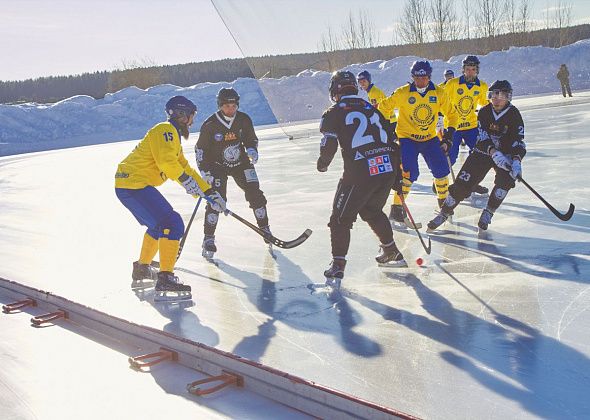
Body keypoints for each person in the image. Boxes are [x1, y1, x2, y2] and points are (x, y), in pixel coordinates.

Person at [115, 96, 226, 301]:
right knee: (172, 223)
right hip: (133, 185)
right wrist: (186, 181)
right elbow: (168, 163)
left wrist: (209, 192)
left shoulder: (171, 135)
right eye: (191, 116)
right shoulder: (165, 131)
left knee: (159, 227)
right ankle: (165, 277)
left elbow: (184, 167)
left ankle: (142, 268)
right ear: (182, 115)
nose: (192, 122)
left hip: (131, 185)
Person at [318, 70, 406, 287]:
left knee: (340, 218)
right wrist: (397, 175)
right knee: (371, 210)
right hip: (386, 168)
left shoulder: (333, 112)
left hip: (360, 171)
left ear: (335, 91)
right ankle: (391, 250)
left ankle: (338, 265)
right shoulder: (372, 109)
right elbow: (393, 142)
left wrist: (323, 163)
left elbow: (329, 144)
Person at [427, 80, 526, 232]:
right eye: (493, 95)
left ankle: (489, 212)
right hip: (483, 152)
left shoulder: (514, 114)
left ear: (508, 97)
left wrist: (516, 161)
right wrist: (493, 153)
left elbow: (518, 141)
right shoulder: (485, 112)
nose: (497, 98)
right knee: (462, 182)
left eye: (501, 95)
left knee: (505, 181)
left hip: (505, 154)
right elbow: (483, 137)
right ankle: (444, 212)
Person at [377, 60, 458, 225]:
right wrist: (389, 130)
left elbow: (452, 114)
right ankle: (397, 209)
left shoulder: (439, 93)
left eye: (424, 77)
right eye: (417, 77)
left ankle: (444, 205)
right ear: (412, 77)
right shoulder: (403, 92)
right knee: (409, 173)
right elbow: (383, 108)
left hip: (429, 138)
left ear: (429, 76)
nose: (420, 81)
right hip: (408, 139)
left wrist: (449, 136)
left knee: (442, 169)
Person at [195, 87, 270, 259]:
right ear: (220, 105)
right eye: (227, 106)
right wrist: (205, 171)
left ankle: (265, 228)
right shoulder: (210, 124)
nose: (231, 109)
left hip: (241, 163)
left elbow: (251, 138)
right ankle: (208, 238)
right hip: (217, 166)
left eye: (234, 105)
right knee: (217, 200)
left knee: (255, 194)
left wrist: (252, 149)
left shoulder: (244, 119)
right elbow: (200, 150)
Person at [444, 55, 489, 195]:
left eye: (473, 69)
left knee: (478, 155)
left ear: (477, 70)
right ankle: (441, 183)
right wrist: (438, 117)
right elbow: (442, 101)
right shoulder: (452, 84)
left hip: (471, 126)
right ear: (463, 70)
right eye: (468, 69)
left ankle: (472, 182)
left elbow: (484, 103)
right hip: (454, 127)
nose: (470, 72)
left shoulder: (481, 86)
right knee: (450, 156)